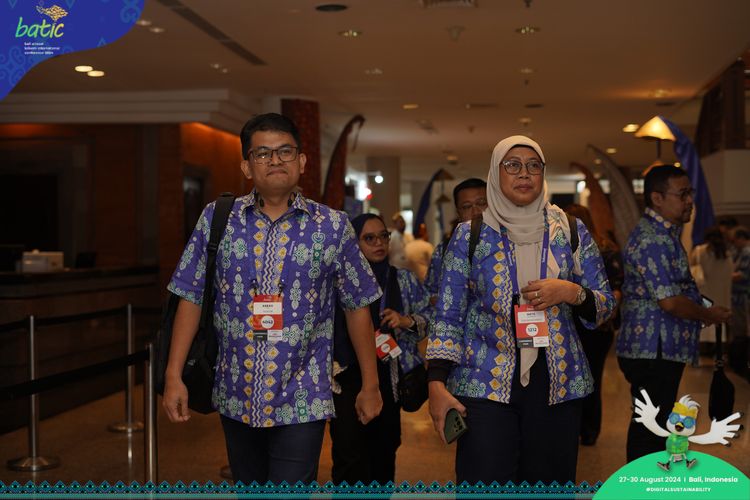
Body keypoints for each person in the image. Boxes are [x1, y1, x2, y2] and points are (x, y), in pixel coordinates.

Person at [162, 113, 383, 485]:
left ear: (302, 161)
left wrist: (370, 384)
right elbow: (190, 295)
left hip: (304, 395)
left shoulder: (332, 226)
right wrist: (173, 376)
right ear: (246, 166)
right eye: (262, 153)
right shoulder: (218, 219)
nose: (275, 160)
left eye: (285, 151)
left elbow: (357, 306)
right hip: (235, 391)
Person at [426, 135, 615, 486]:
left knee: (547, 485)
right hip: (484, 380)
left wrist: (572, 292)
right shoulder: (470, 236)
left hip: (558, 384)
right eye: (512, 165)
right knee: (485, 482)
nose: (524, 173)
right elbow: (448, 314)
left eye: (533, 165)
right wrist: (436, 382)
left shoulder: (570, 231)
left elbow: (604, 306)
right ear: (495, 174)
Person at [616, 164, 731, 463]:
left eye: (690, 193)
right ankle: (641, 484)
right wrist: (707, 315)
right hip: (652, 348)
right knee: (650, 428)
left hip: (658, 347)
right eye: (682, 194)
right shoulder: (653, 239)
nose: (690, 201)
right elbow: (669, 301)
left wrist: (703, 308)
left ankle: (646, 482)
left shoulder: (664, 235)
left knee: (654, 424)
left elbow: (675, 289)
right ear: (657, 198)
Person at [330, 214, 430, 485]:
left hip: (389, 377)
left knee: (384, 454)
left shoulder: (404, 280)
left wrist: (406, 321)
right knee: (349, 455)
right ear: (353, 243)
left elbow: (431, 319)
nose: (379, 243)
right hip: (346, 378)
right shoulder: (337, 282)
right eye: (369, 238)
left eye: (383, 236)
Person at [564, 203, 624, 446]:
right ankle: (587, 430)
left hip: (582, 324)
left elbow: (615, 291)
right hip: (593, 327)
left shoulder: (597, 250)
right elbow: (617, 289)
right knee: (591, 378)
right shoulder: (606, 249)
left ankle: (580, 428)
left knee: (576, 378)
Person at [424, 178, 487, 303]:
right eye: (467, 206)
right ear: (458, 213)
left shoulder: (508, 242)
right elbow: (430, 293)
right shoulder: (445, 249)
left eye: (481, 203)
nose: (476, 212)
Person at [689, 226, 733, 352]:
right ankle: (718, 353)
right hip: (722, 297)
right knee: (719, 330)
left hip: (704, 296)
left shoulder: (699, 251)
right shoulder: (727, 255)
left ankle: (702, 352)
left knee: (703, 329)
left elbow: (689, 271)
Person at [728, 225, 750, 377]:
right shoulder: (739, 252)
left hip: (743, 296)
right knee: (737, 329)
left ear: (741, 238)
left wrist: (724, 276)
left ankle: (740, 362)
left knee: (742, 329)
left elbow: (742, 275)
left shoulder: (747, 252)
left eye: (734, 240)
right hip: (737, 296)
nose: (733, 244)